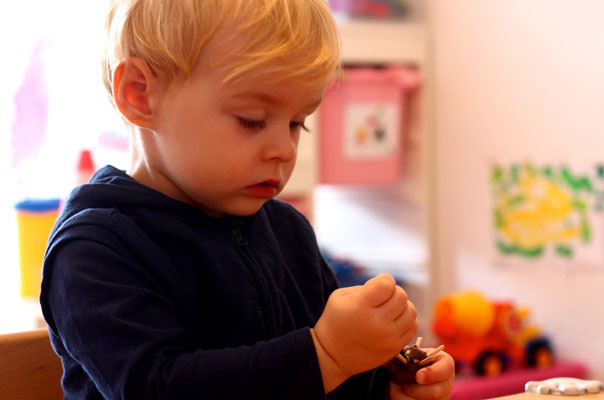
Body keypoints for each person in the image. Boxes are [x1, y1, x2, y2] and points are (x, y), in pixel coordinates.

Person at [40, 0, 455, 399]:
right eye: (251, 120)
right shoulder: (94, 250)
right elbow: (157, 388)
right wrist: (326, 354)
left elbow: (322, 384)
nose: (285, 149)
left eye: (297, 124)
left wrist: (385, 385)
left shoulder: (287, 231)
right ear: (139, 94)